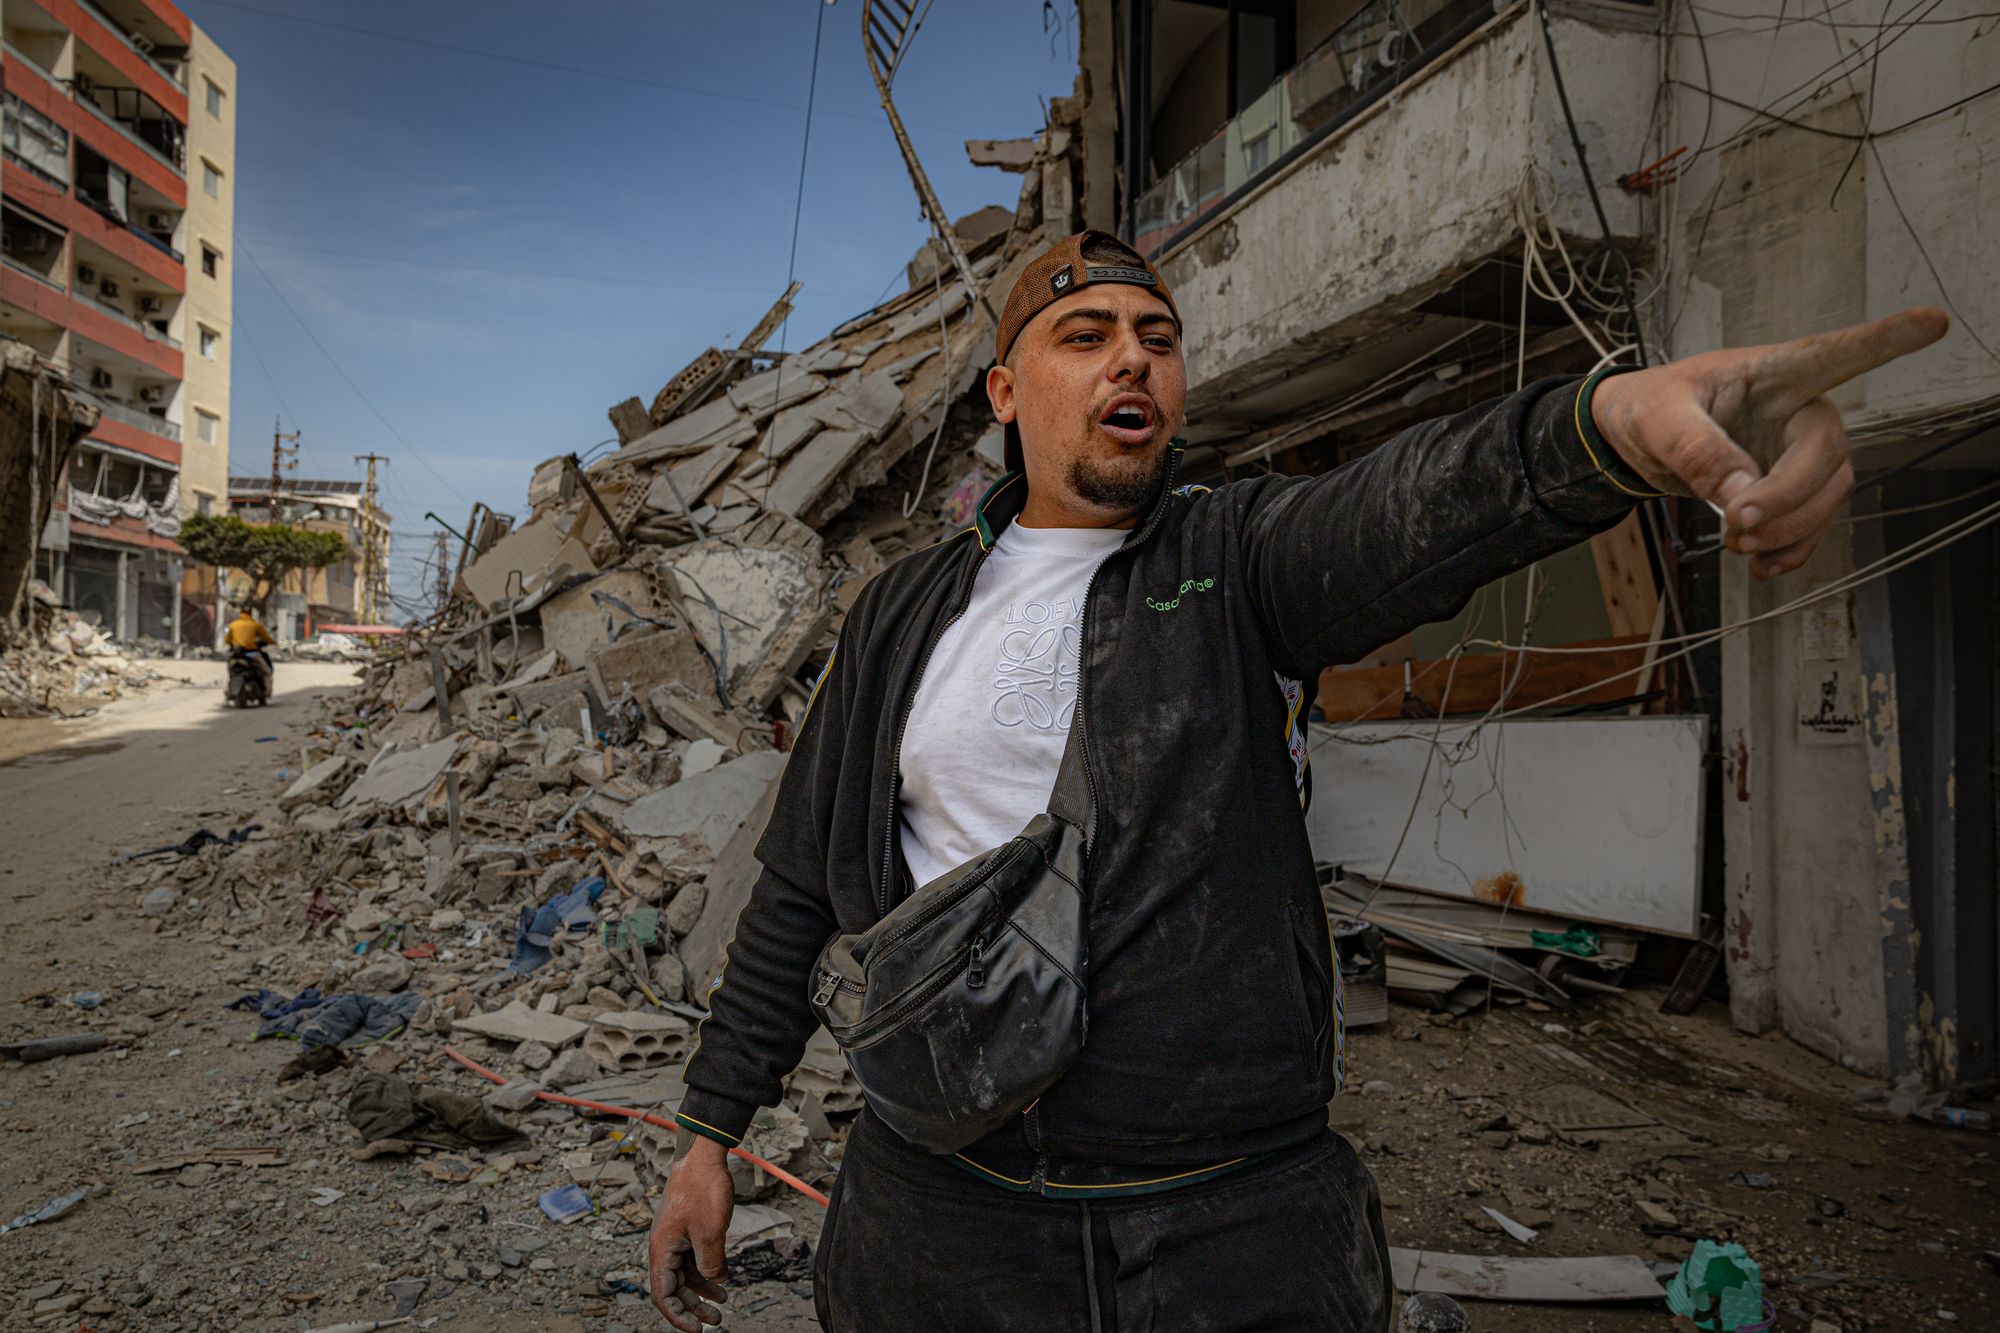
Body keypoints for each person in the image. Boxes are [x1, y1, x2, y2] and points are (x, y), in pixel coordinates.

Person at [647, 229, 1947, 1331]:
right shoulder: (898, 614)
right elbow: (799, 887)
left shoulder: (1229, 557)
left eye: (1156, 336)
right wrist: (709, 1136)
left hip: (1229, 1228)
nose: (1132, 358)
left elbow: (1400, 512)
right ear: (1004, 390)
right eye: (1086, 334)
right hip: (937, 1224)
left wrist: (1600, 427)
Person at [224, 606, 275, 694]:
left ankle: (228, 691)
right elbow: (266, 638)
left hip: (236, 655)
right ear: (250, 614)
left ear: (241, 613)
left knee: (231, 672)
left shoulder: (233, 624)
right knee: (267, 672)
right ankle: (267, 692)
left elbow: (227, 640)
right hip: (252, 653)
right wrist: (273, 642)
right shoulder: (255, 625)